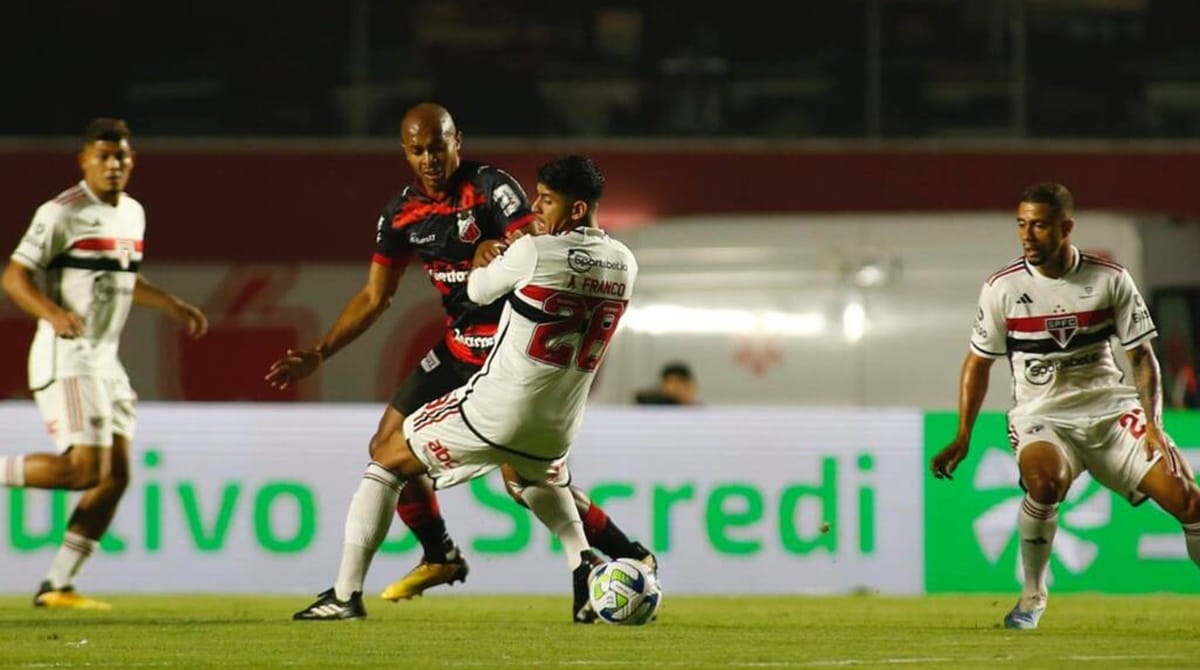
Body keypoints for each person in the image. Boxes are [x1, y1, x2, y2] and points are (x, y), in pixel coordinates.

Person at [265, 103, 655, 602]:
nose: (429, 158)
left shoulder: (493, 188)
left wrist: (493, 246)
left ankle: (624, 554)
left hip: (506, 353)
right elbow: (374, 296)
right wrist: (319, 353)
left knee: (522, 482)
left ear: (457, 142)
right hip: (456, 348)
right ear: (405, 153)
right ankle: (440, 554)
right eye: (417, 150)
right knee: (386, 445)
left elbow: (537, 239)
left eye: (437, 146)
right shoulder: (401, 213)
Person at [930, 182, 1200, 630]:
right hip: (1043, 417)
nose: (1028, 235)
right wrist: (963, 434)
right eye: (1021, 224)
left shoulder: (1109, 280)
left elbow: (1141, 356)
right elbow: (977, 363)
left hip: (1112, 413)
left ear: (1066, 227)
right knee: (1044, 483)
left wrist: (1153, 424)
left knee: (1188, 501)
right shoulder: (1003, 288)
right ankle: (1032, 596)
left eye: (1039, 225)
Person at [0, 118, 209, 609]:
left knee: (116, 476)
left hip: (105, 361)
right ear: (84, 161)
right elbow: (14, 277)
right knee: (83, 470)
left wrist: (172, 304)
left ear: (131, 161)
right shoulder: (60, 212)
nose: (114, 164)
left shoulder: (133, 213)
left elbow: (123, 278)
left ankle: (57, 584)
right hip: (68, 356)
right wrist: (53, 313)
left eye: (122, 156)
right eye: (104, 156)